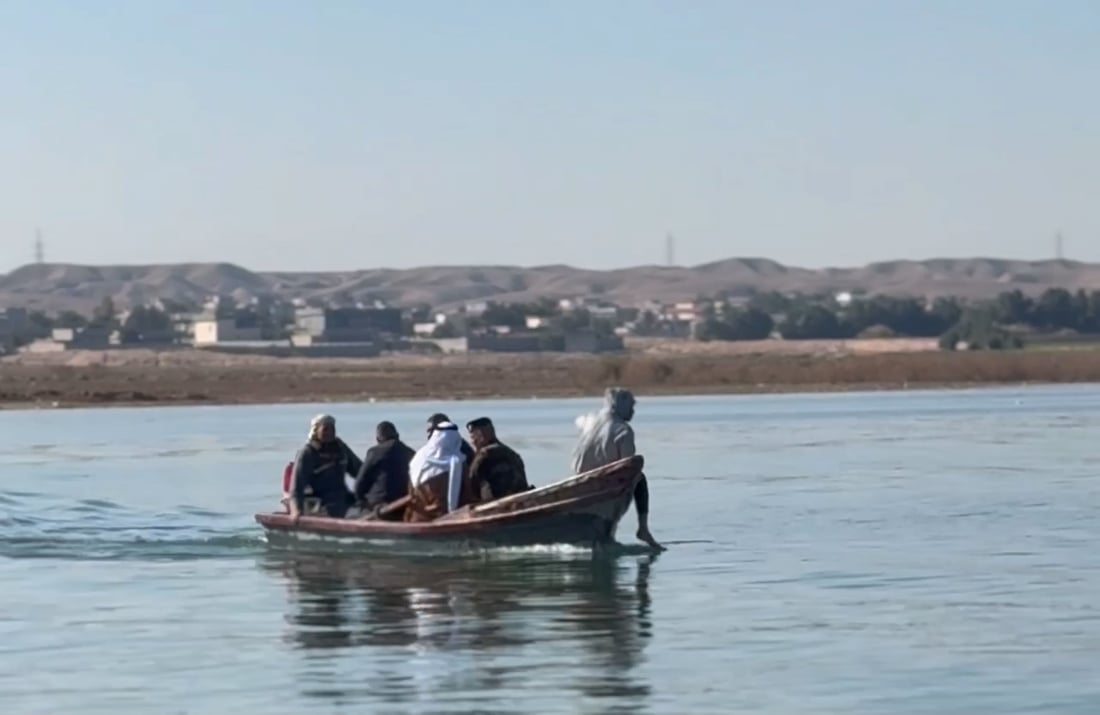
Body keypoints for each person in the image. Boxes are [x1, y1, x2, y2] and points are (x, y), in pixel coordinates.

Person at [570, 387, 663, 550]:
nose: (633, 411)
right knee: (640, 478)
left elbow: (579, 421)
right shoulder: (623, 431)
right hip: (604, 487)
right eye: (631, 406)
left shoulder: (590, 422)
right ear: (621, 406)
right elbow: (628, 467)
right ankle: (643, 528)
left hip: (580, 485)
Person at [288, 414, 364, 520]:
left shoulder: (340, 448)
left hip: (345, 498)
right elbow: (297, 487)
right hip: (322, 504)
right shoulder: (308, 453)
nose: (330, 432)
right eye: (325, 429)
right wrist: (296, 511)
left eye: (332, 429)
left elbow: (362, 472)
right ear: (316, 430)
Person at [405, 420, 471, 522]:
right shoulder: (459, 463)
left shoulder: (418, 458)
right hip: (444, 517)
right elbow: (467, 494)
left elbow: (411, 493)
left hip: (417, 517)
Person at [353, 420, 416, 514]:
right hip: (404, 504)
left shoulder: (374, 452)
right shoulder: (411, 453)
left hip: (379, 505)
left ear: (378, 439)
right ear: (398, 436)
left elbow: (360, 483)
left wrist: (360, 501)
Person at [466, 416, 530, 502]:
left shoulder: (483, 456)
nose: (473, 442)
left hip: (494, 506)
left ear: (481, 435)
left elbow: (472, 484)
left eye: (473, 438)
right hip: (520, 502)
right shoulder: (512, 453)